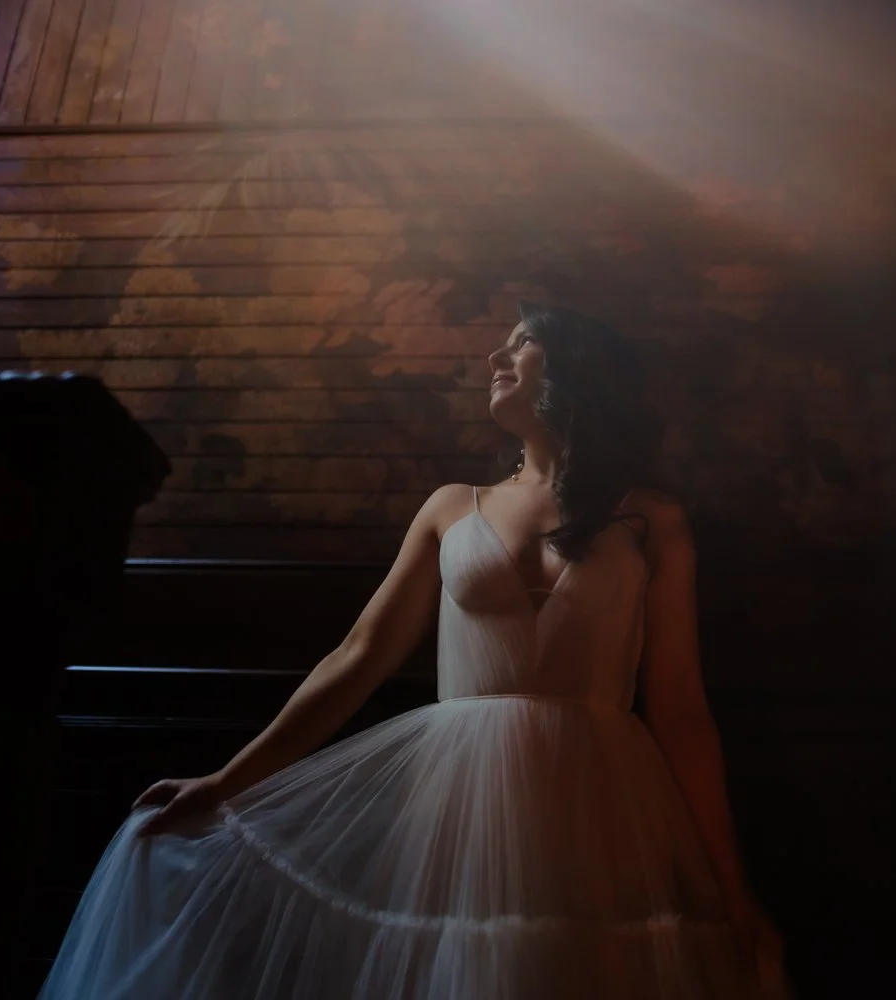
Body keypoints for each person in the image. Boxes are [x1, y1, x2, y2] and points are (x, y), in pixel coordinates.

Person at [39, 302, 789, 999]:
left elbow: (682, 712)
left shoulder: (651, 519)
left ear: (578, 366)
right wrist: (229, 780)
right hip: (455, 805)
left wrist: (735, 894)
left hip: (599, 804)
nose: (497, 353)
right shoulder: (450, 507)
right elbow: (358, 656)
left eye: (523, 340)